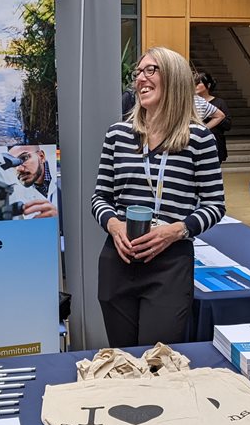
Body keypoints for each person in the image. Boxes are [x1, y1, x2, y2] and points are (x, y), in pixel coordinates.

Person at [91, 46, 226, 347]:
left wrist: (175, 231)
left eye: (150, 70)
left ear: (174, 78)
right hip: (119, 257)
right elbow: (100, 197)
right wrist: (114, 226)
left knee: (158, 361)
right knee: (123, 357)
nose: (140, 78)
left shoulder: (199, 139)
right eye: (138, 72)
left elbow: (215, 205)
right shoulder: (117, 135)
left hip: (170, 262)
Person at [7, 145, 58, 218]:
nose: (18, 169)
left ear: (41, 157)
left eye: (24, 158)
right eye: (12, 164)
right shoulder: (17, 195)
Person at [195, 71, 232, 163]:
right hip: (197, 141)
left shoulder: (219, 102)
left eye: (199, 82)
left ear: (208, 85)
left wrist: (212, 116)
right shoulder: (192, 101)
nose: (195, 85)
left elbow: (228, 125)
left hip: (215, 141)